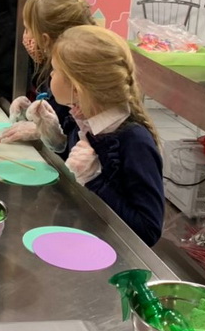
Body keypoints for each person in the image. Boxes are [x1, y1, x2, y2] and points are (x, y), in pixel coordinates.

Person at [26, 25, 164, 245]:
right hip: (80, 234)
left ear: (77, 87)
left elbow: (148, 231)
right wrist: (54, 139)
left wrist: (96, 180)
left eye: (55, 70)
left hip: (110, 251)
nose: (50, 75)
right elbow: (76, 166)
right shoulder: (81, 118)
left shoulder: (135, 142)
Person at [0, 0, 96, 143]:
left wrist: (48, 133)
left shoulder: (73, 78)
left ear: (45, 39)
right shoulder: (53, 66)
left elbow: (76, 133)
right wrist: (33, 115)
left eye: (27, 29)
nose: (25, 35)